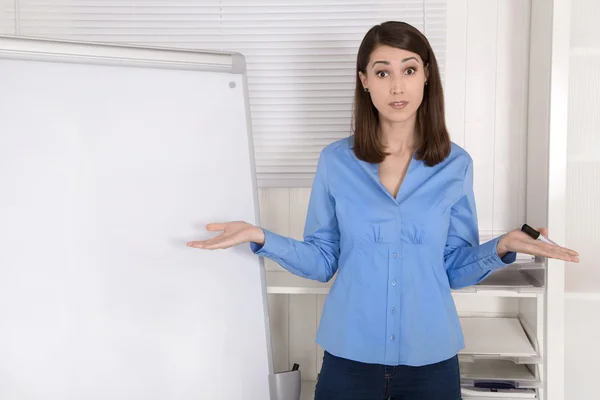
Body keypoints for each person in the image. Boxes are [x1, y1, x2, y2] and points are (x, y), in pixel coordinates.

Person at [186, 21, 579, 400]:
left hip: (432, 359)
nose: (397, 85)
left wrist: (502, 246)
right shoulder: (335, 161)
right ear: (364, 81)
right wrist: (261, 237)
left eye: (409, 69)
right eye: (382, 71)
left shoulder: (456, 165)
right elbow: (323, 261)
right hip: (349, 360)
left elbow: (454, 269)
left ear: (426, 75)